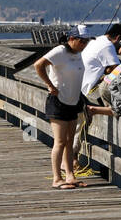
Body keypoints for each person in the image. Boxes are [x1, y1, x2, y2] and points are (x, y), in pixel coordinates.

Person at [33, 26, 115, 189]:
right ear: (71, 39)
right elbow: (38, 65)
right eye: (81, 41)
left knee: (70, 142)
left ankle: (70, 176)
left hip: (74, 101)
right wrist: (50, 85)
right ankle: (57, 178)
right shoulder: (59, 52)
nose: (84, 44)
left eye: (86, 41)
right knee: (60, 141)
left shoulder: (78, 54)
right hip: (58, 102)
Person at [81, 23, 121, 97]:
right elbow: (117, 70)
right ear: (118, 38)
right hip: (91, 91)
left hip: (83, 88)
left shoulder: (97, 40)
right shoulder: (107, 45)